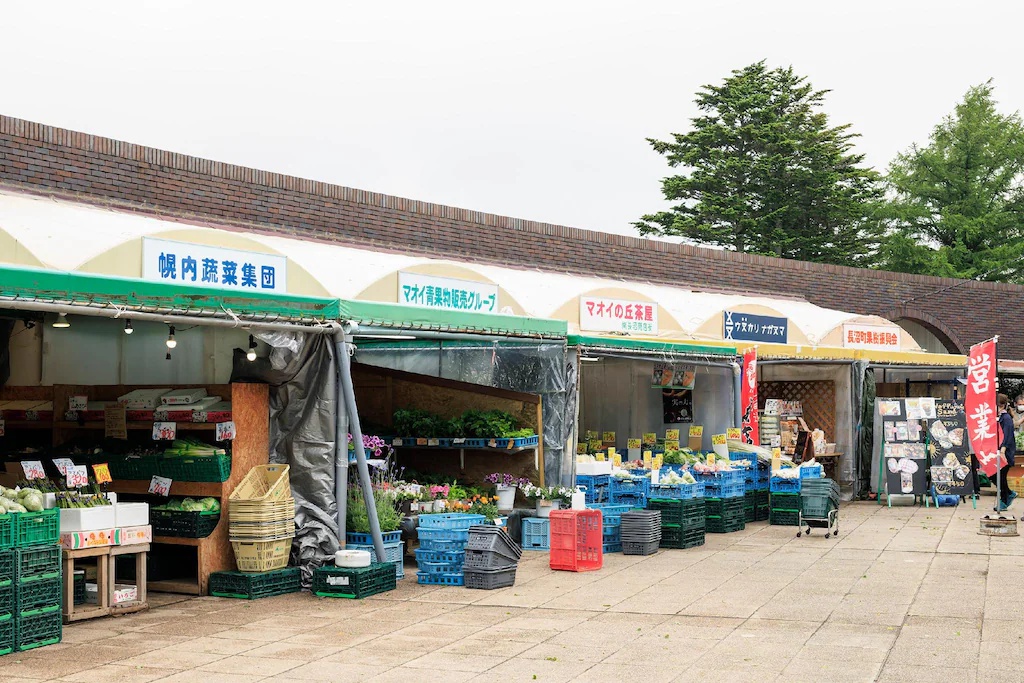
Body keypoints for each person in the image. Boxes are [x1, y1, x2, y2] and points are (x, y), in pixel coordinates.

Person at [996, 393, 1016, 511]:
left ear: (1001, 406)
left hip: (1005, 453)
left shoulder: (1006, 418)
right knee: (998, 477)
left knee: (1001, 477)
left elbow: (1007, 437)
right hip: (1000, 452)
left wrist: (1002, 451)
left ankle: (1005, 499)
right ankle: (1008, 495)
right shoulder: (1000, 417)